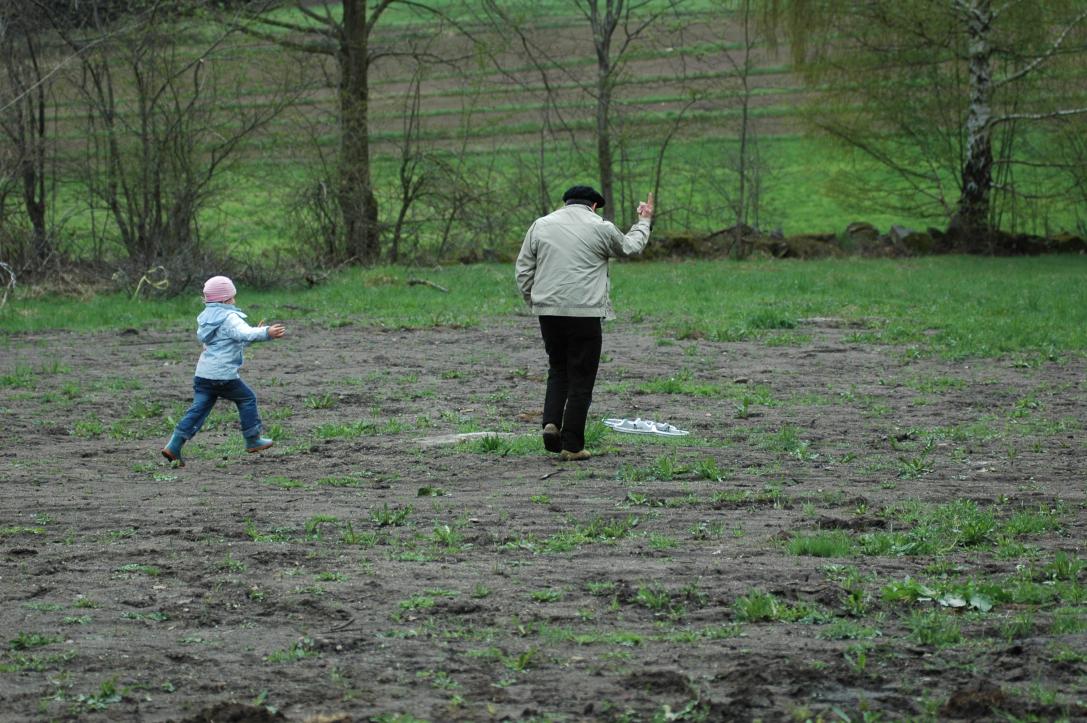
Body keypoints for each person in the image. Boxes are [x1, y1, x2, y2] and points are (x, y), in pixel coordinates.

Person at [516, 185, 654, 461]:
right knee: (582, 377)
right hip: (585, 314)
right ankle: (573, 445)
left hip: (549, 312)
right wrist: (644, 221)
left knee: (558, 368)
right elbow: (630, 247)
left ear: (566, 203)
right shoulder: (601, 226)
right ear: (594, 206)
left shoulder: (541, 225)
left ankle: (551, 422)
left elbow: (523, 270)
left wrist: (536, 301)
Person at [161, 276, 286, 467]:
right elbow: (243, 333)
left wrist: (255, 334)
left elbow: (236, 338)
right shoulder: (229, 317)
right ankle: (252, 439)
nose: (234, 301)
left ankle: (174, 445)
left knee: (198, 410)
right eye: (233, 298)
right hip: (223, 376)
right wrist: (266, 332)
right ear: (226, 300)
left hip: (203, 375)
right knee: (247, 398)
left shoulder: (207, 318)